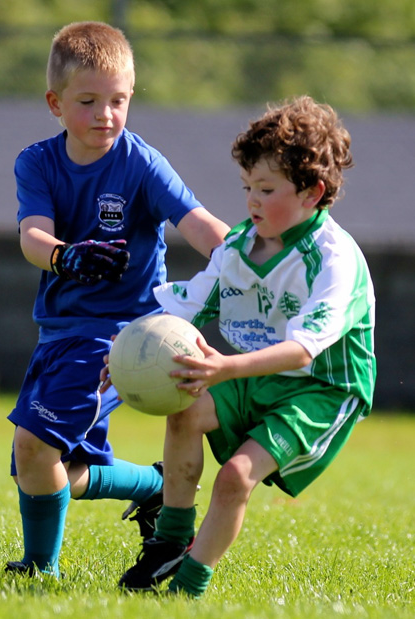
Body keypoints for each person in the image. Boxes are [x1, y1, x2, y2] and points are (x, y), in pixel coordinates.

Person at [110, 95, 376, 597]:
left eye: (267, 188)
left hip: (320, 387)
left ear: (313, 193)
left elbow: (302, 351)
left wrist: (226, 367)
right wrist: (123, 356)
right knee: (184, 410)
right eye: (247, 186)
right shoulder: (237, 247)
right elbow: (185, 307)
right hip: (250, 371)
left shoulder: (335, 261)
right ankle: (169, 543)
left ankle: (188, 586)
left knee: (235, 477)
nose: (251, 200)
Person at [5, 21, 230, 578]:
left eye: (119, 100)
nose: (105, 114)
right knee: (59, 469)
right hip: (59, 331)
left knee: (34, 450)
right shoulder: (36, 163)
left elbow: (198, 223)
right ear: (55, 103)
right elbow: (32, 235)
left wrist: (244, 259)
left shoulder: (141, 162)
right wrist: (65, 255)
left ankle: (39, 571)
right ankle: (156, 486)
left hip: (122, 337)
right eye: (88, 101)